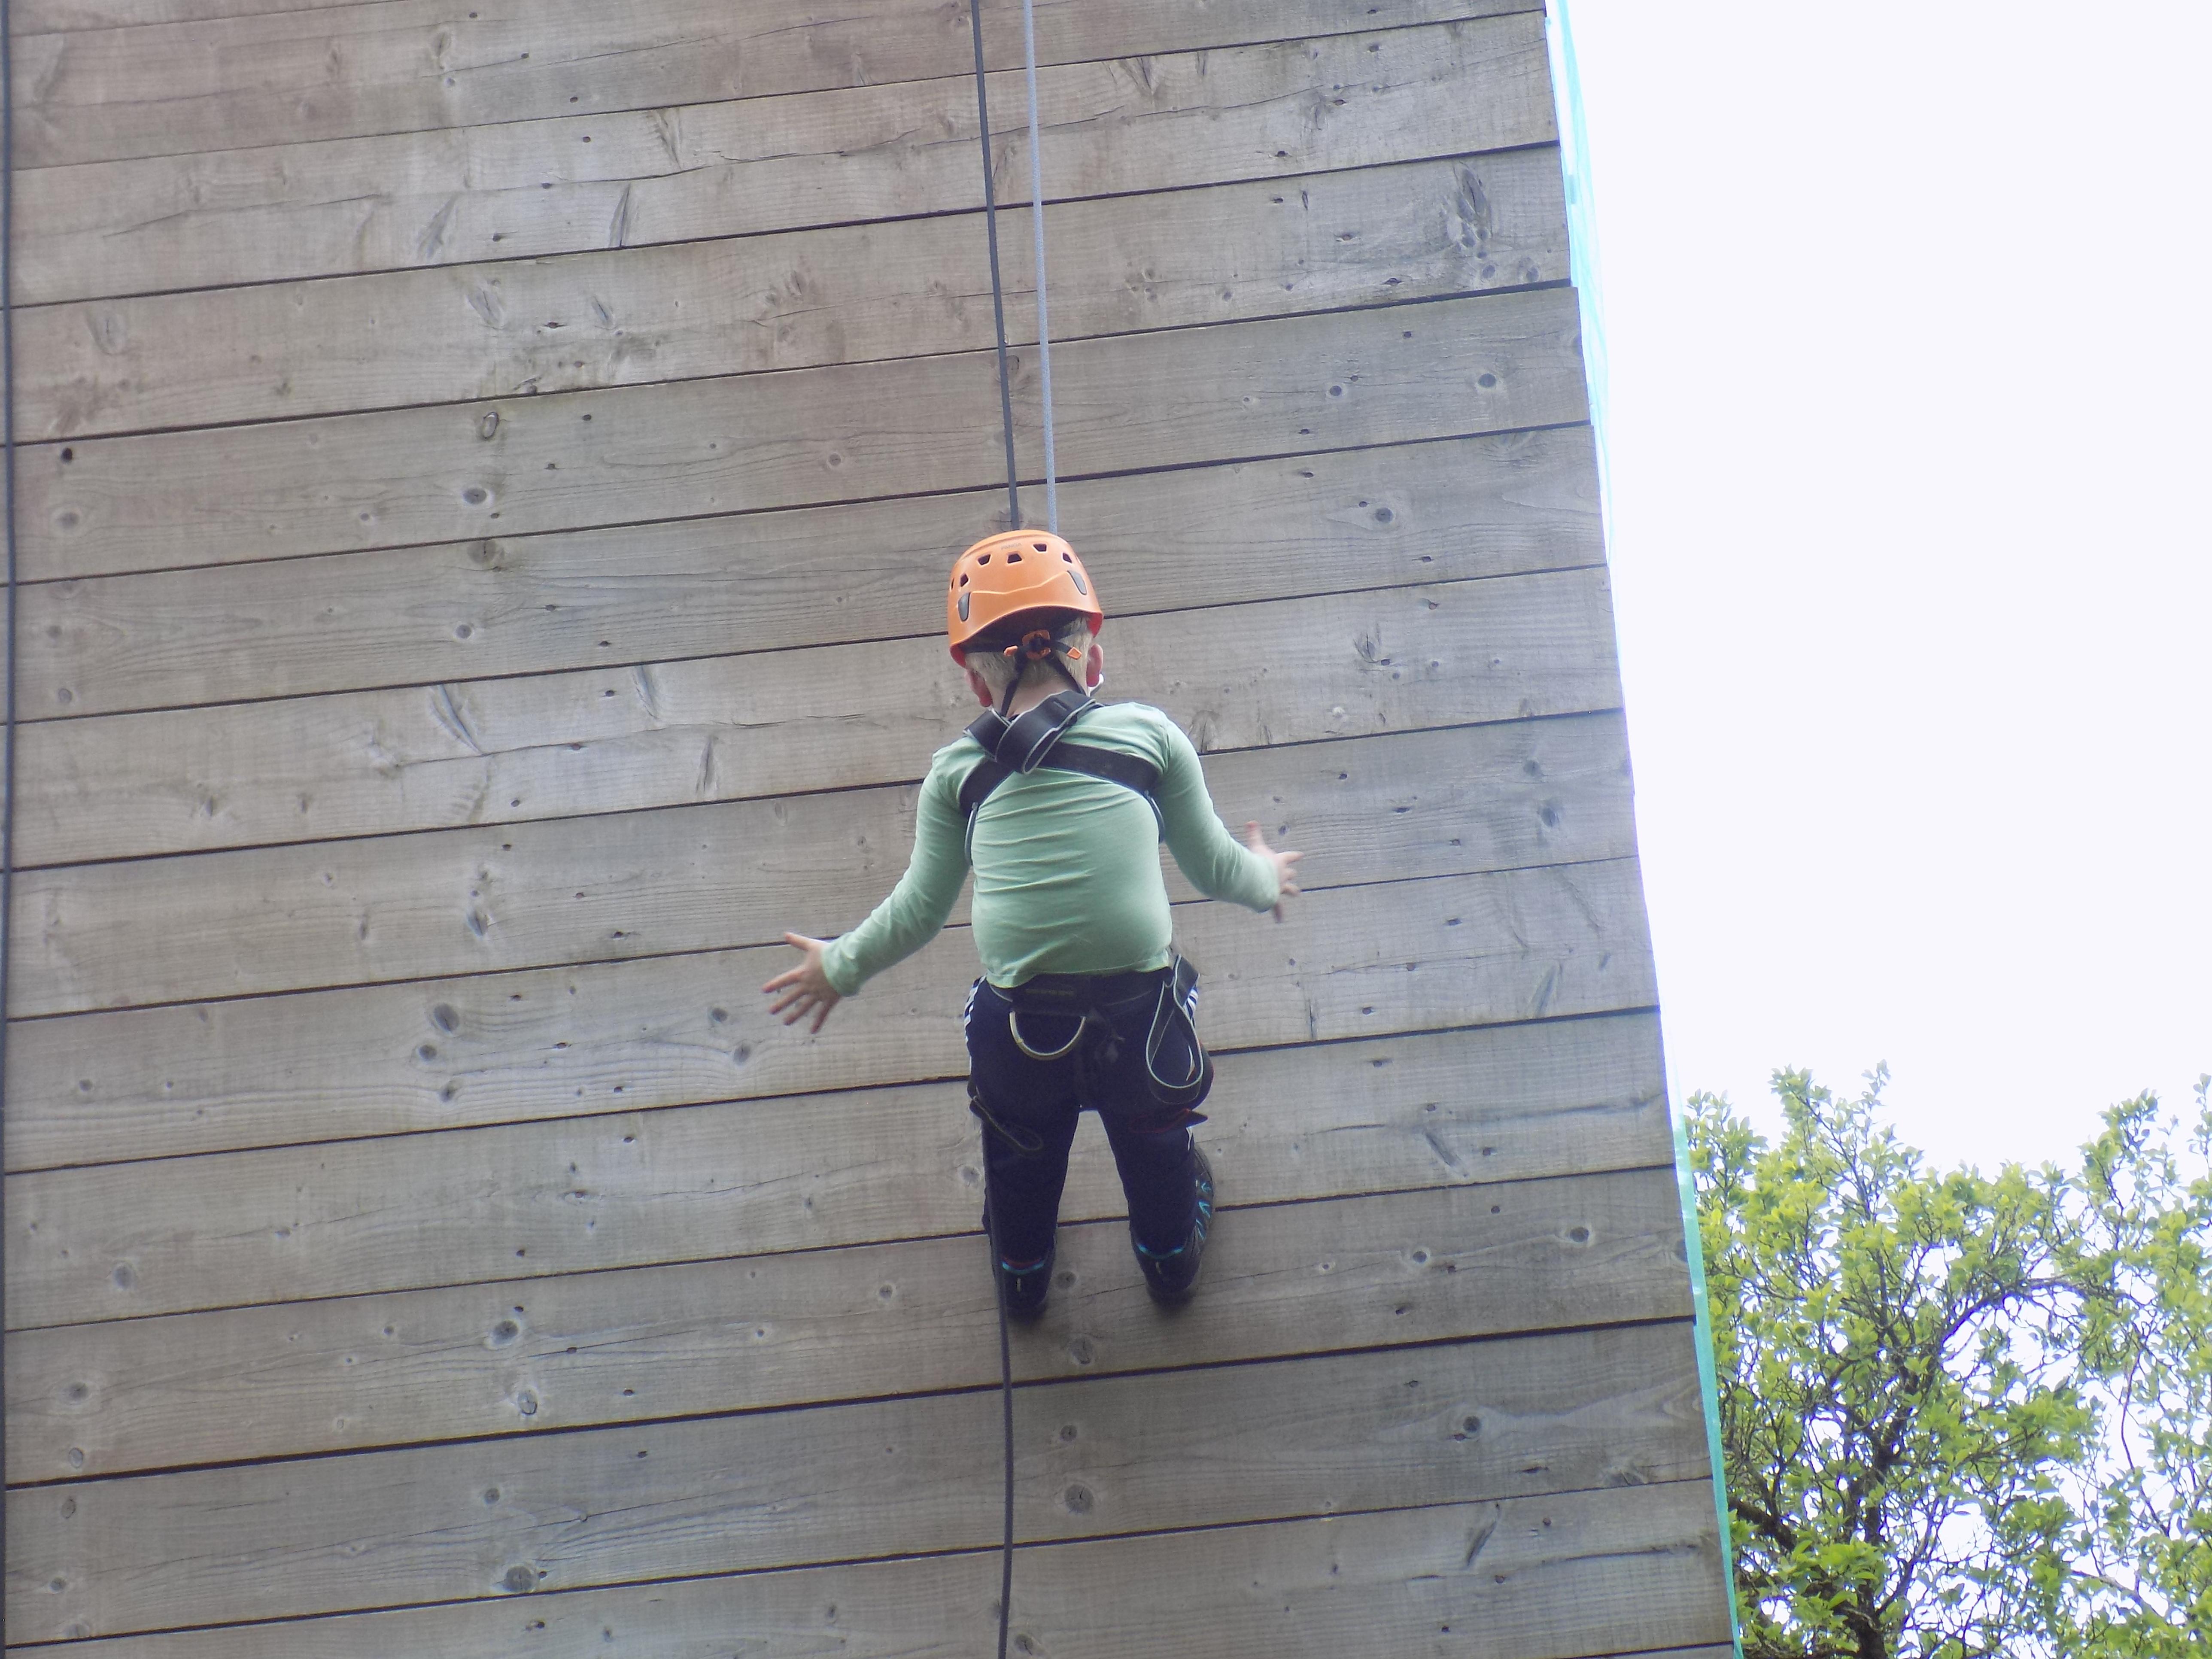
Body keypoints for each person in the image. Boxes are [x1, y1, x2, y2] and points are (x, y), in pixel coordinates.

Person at [763, 529, 1300, 1317]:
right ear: (1091, 655)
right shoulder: (1151, 738)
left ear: (976, 684)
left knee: (1019, 1154)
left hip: (1021, 1031)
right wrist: (1267, 876)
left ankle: (1022, 1275)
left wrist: (838, 966)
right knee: (1156, 1144)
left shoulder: (958, 775)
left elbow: (919, 911)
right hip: (1142, 1022)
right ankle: (1169, 1263)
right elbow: (1218, 869)